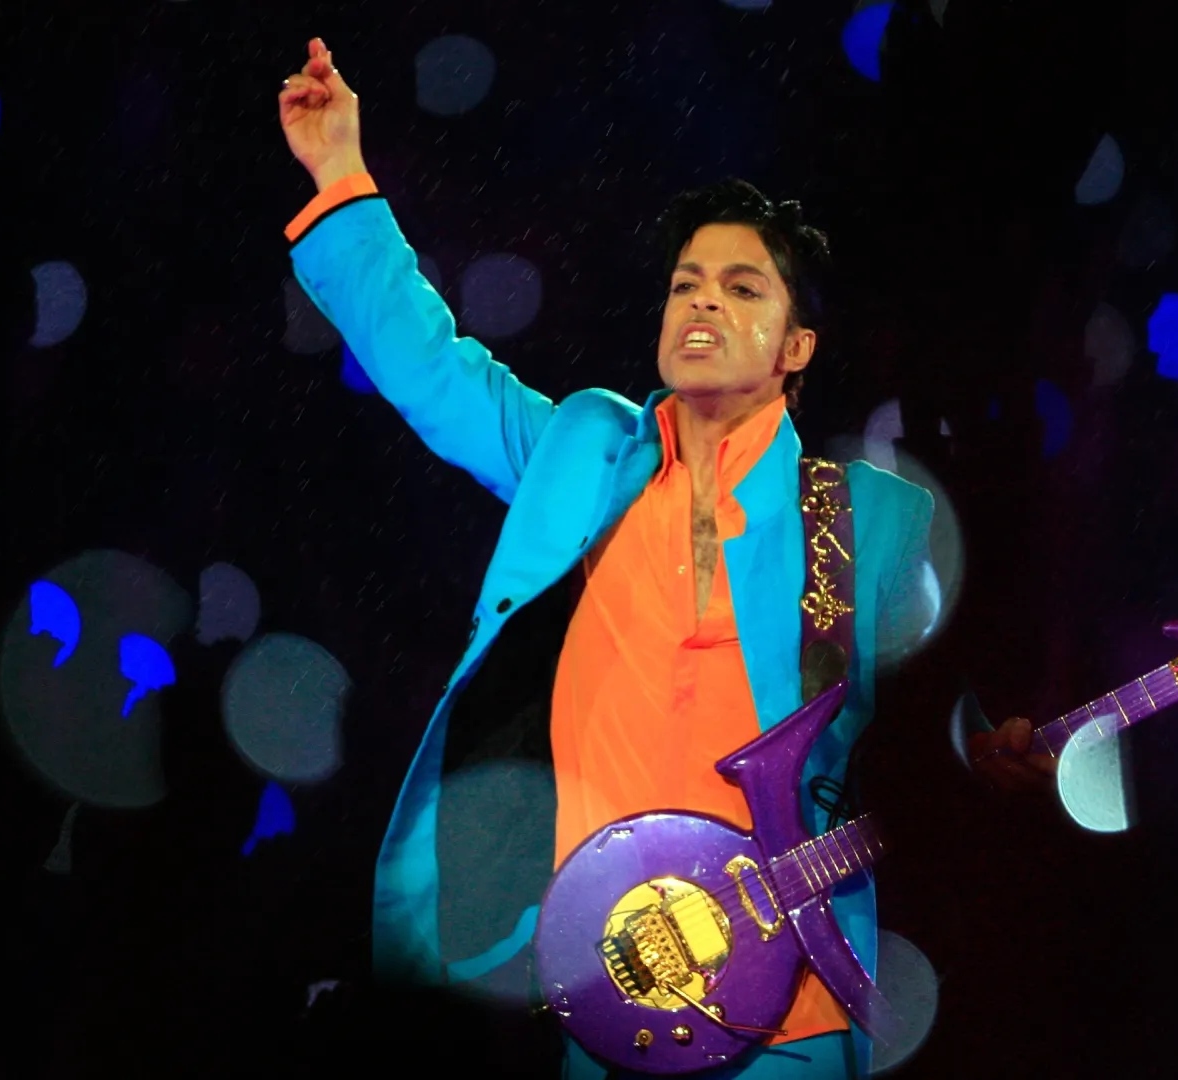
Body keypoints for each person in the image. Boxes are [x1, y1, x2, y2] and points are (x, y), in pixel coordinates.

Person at [275, 35, 1051, 1078]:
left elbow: (934, 717)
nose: (703, 303)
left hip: (786, 1014)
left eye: (741, 289)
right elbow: (435, 371)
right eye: (688, 283)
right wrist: (342, 179)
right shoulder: (582, 455)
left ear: (796, 347)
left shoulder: (862, 520)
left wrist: (987, 750)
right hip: (598, 997)